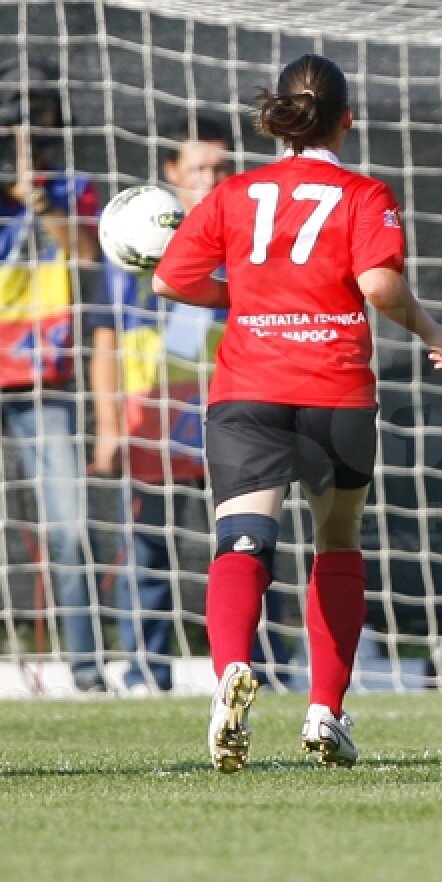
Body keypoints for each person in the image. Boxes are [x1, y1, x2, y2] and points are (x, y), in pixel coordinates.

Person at [151, 53, 442, 771]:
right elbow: (380, 286)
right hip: (334, 391)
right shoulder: (362, 193)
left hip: (249, 387)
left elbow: (169, 278)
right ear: (347, 119)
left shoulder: (233, 192)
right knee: (337, 543)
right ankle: (325, 710)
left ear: (279, 119)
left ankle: (230, 668)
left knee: (244, 539)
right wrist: (433, 329)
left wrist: (254, 301)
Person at [93, 117, 293, 695]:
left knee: (249, 544)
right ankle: (145, 675)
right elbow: (105, 334)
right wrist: (109, 425)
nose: (210, 178)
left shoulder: (250, 241)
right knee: (149, 551)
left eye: (222, 167)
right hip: (152, 424)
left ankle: (265, 667)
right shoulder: (129, 242)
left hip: (233, 416)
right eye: (199, 167)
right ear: (172, 173)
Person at [0, 58, 106, 692]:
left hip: (45, 381)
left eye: (36, 115)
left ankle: (88, 672)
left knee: (69, 530)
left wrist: (35, 197)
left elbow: (87, 253)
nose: (26, 127)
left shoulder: (71, 188)